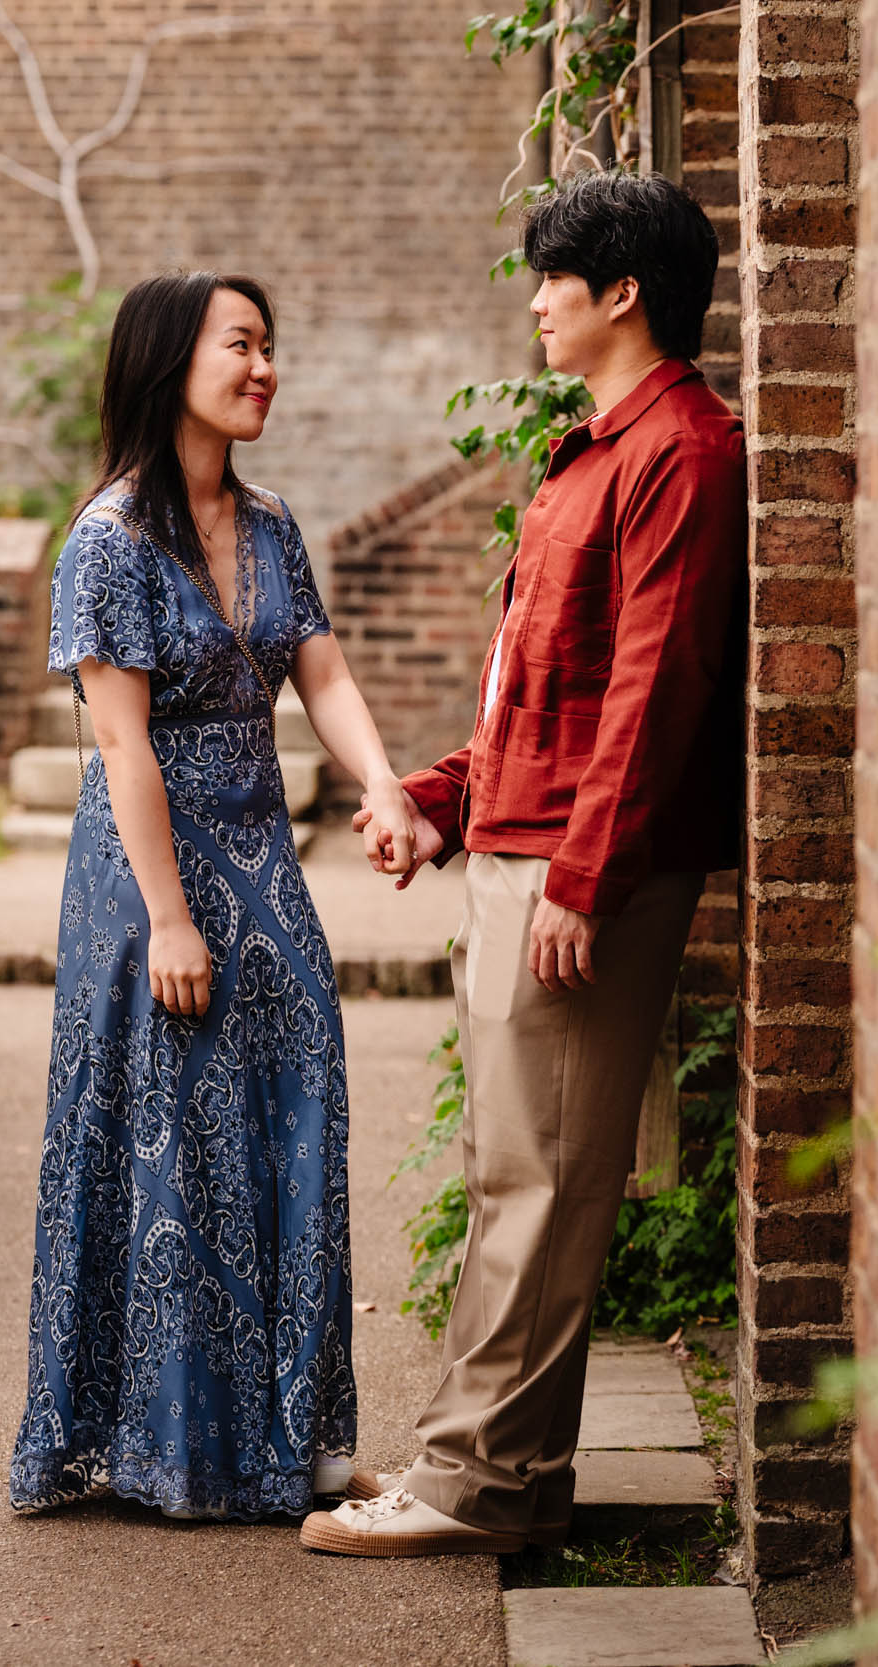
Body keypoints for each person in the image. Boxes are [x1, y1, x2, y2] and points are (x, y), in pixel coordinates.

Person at [304, 171, 746, 1557]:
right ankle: (498, 1470)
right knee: (517, 1172)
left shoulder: (684, 446)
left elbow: (656, 690)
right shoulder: (595, 450)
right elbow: (538, 693)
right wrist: (441, 799)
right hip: (525, 850)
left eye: (555, 275)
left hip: (574, 873)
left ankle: (475, 1485)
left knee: (546, 1181)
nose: (537, 299)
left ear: (623, 292)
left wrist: (582, 871)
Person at [8, 271, 422, 1521]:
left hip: (265, 858)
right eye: (240, 344)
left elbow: (325, 672)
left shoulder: (276, 521)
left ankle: (300, 1440)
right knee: (164, 1140)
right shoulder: (110, 539)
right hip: (148, 873)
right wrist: (174, 918)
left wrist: (389, 783)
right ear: (167, 360)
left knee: (298, 1105)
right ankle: (161, 1446)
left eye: (269, 346)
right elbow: (121, 747)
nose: (264, 367)